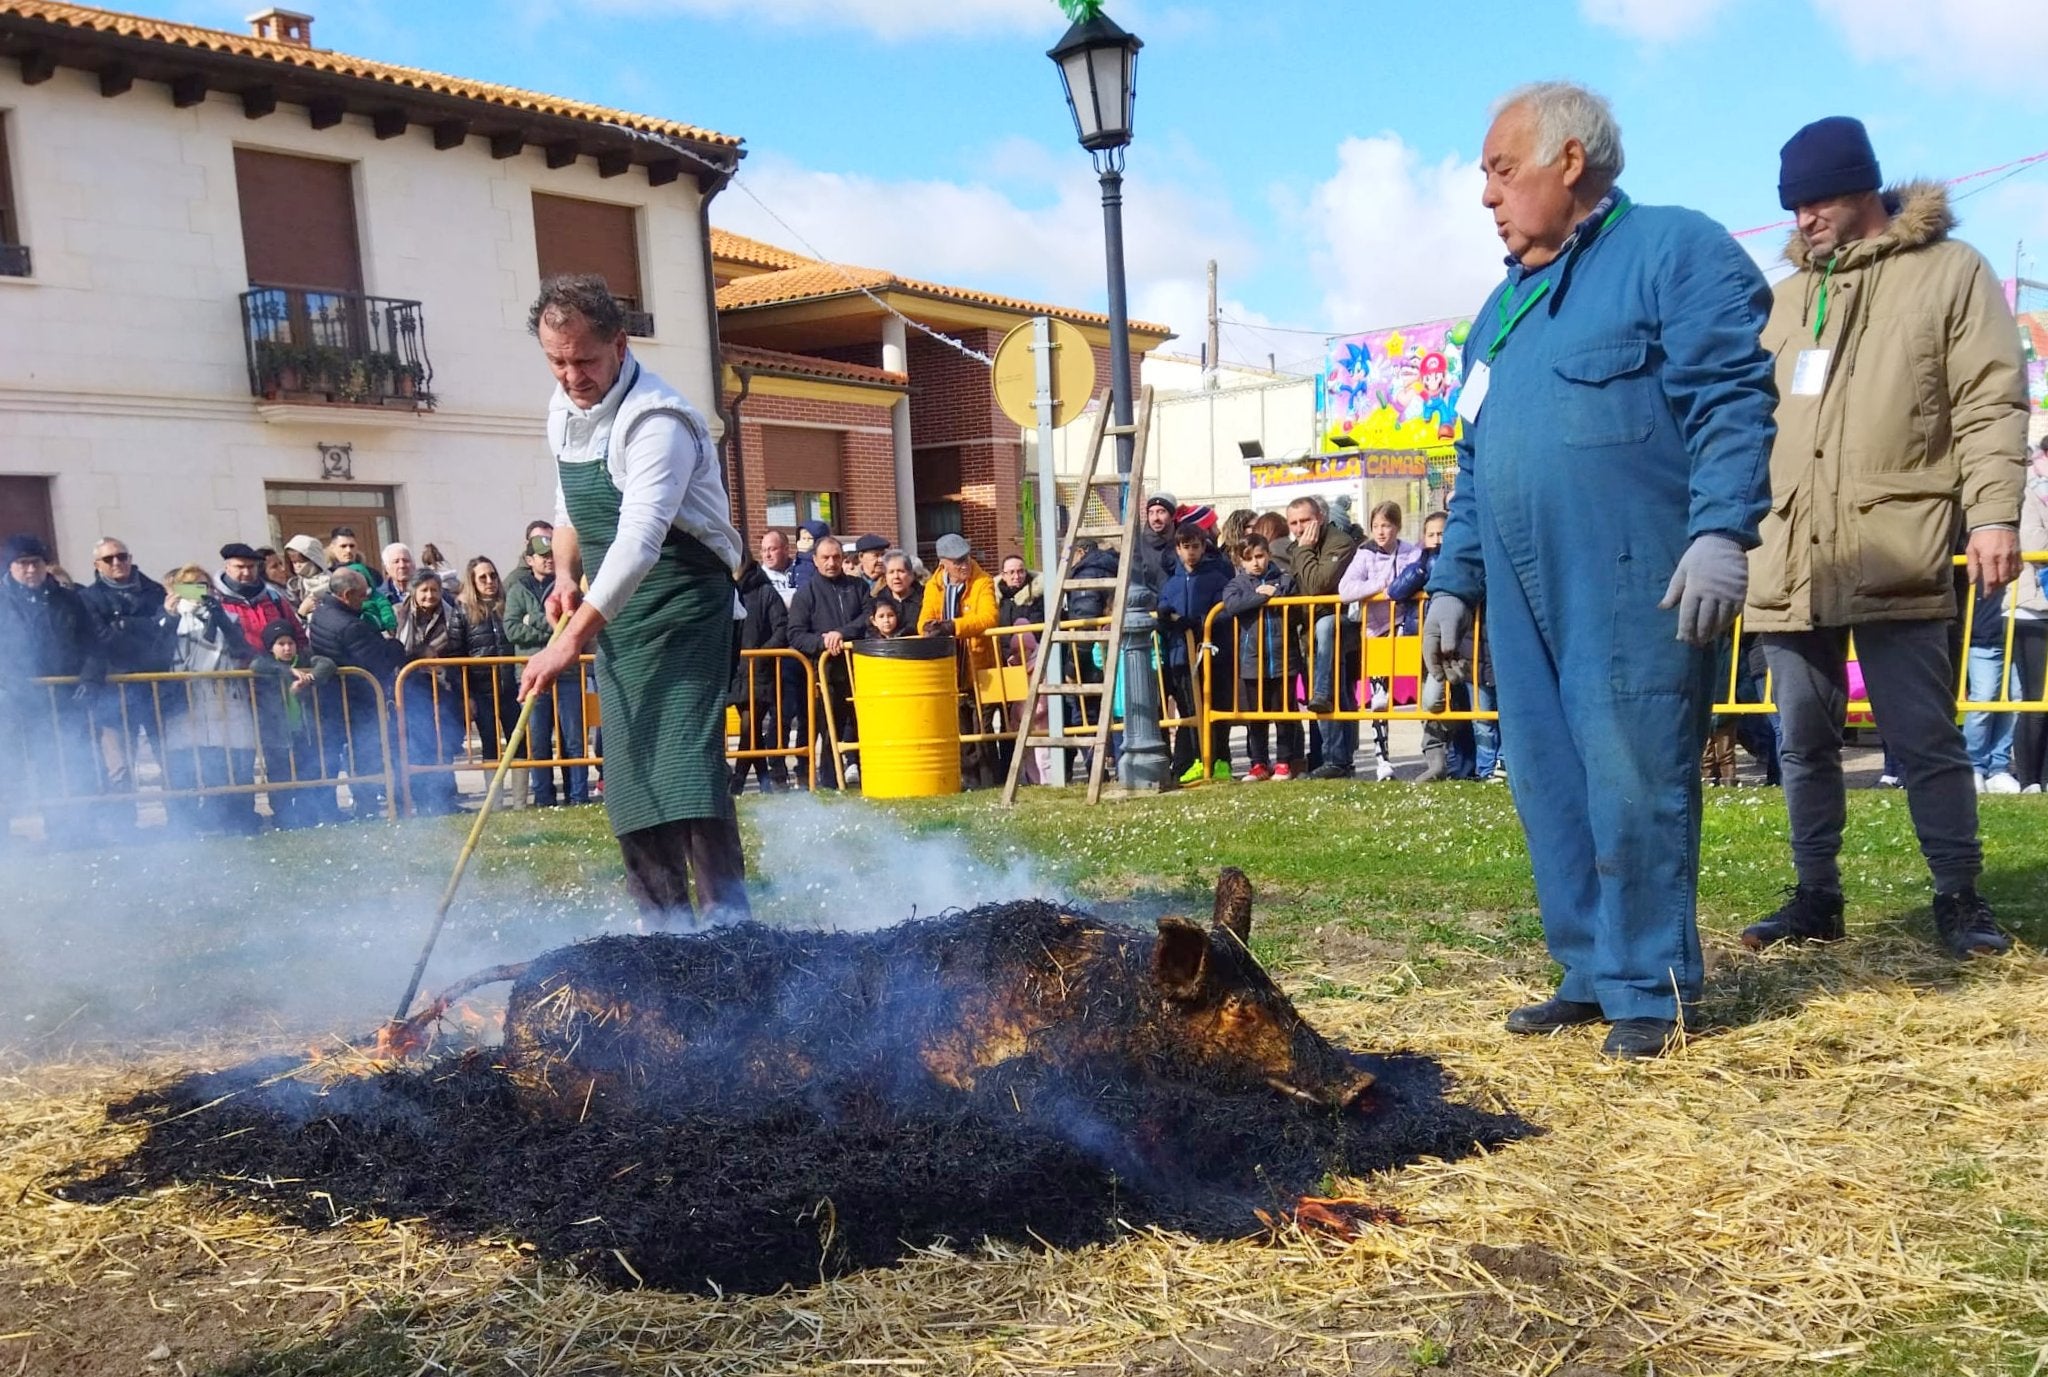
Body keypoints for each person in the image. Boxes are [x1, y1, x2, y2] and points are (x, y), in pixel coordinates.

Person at [1422, 81, 1777, 1059]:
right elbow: (1471, 460)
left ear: (1568, 160)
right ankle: (1587, 969)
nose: (1486, 195)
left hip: (1631, 574)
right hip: (1519, 588)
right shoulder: (1499, 311)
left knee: (1633, 776)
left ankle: (1648, 987)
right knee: (1546, 782)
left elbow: (1731, 397)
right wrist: (1453, 578)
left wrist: (1720, 530)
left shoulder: (1672, 250)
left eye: (1501, 171)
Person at [1740, 116, 2028, 959]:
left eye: (1818, 200)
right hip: (1789, 551)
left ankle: (1959, 896)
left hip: (1896, 545)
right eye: (1793, 206)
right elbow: (1745, 421)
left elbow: (1990, 401)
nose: (1803, 219)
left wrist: (1995, 514)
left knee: (1923, 735)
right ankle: (1815, 895)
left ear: (1865, 188)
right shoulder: (1787, 299)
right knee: (1802, 738)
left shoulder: (1950, 272)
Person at [516, 275, 751, 925]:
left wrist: (568, 642)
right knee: (630, 775)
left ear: (619, 345)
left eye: (583, 360)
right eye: (556, 361)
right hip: (621, 617)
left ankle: (731, 933)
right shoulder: (564, 411)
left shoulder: (657, 421)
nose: (571, 376)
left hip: (685, 607)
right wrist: (566, 575)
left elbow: (639, 541)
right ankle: (663, 935)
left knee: (686, 768)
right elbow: (569, 506)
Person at [0, 534, 107, 847]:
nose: (30, 570)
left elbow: (92, 645)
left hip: (63, 701)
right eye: (23, 564)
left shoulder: (69, 599)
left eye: (35, 563)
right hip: (12, 702)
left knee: (65, 765)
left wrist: (89, 679)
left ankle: (67, 830)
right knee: (9, 769)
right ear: (10, 566)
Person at [161, 560, 260, 834]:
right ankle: (189, 823)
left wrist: (220, 618)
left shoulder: (227, 616)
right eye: (189, 586)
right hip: (187, 697)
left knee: (232, 759)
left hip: (225, 695)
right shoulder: (170, 618)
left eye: (202, 585)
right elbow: (157, 652)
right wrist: (169, 618)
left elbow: (242, 649)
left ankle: (235, 818)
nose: (197, 591)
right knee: (189, 763)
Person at [79, 536, 175, 808]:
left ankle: (182, 817)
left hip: (156, 686)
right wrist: (146, 628)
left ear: (130, 558)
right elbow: (102, 638)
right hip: (114, 690)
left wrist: (125, 625)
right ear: (97, 565)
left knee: (170, 759)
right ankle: (124, 823)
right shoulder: (88, 598)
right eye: (108, 559)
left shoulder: (155, 592)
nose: (117, 562)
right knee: (119, 766)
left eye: (122, 556)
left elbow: (166, 634)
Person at [308, 567, 406, 820]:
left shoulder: (320, 612)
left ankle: (325, 810)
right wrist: (395, 645)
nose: (365, 599)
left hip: (331, 698)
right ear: (347, 595)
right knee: (365, 755)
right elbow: (378, 663)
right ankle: (366, 806)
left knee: (330, 757)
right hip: (357, 701)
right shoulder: (351, 626)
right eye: (362, 595)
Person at [1338, 501, 1422, 781]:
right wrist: (1378, 588)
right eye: (1376, 526)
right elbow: (1345, 590)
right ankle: (1382, 760)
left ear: (1397, 526)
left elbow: (1417, 580)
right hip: (1376, 630)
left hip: (1406, 627)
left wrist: (1398, 590)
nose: (1381, 532)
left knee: (1425, 691)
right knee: (1379, 700)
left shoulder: (1411, 552)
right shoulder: (1364, 554)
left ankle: (1436, 751)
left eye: (1386, 525)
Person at [505, 530, 589, 808]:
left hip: (568, 674)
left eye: (551, 555)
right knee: (538, 741)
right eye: (542, 556)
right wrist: (551, 624)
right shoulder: (518, 589)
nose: (548, 560)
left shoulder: (568, 588)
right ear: (530, 560)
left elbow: (574, 622)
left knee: (574, 740)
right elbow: (512, 629)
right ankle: (543, 797)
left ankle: (579, 796)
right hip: (532, 674)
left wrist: (533, 620)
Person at [1395, 511, 1476, 782]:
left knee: (1440, 701)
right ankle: (1437, 761)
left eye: (1442, 533)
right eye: (1431, 534)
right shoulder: (1418, 562)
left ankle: (1460, 761)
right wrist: (1420, 568)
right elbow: (1395, 591)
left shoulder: (1456, 562)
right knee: (1428, 704)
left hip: (1452, 645)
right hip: (1419, 641)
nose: (1436, 539)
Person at [787, 534, 870, 789]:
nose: (831, 563)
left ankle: (866, 774)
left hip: (858, 668)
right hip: (824, 672)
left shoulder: (858, 587)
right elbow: (796, 635)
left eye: (836, 557)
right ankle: (827, 780)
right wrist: (823, 642)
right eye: (825, 558)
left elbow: (869, 617)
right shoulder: (806, 594)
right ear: (815, 560)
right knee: (827, 727)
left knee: (861, 724)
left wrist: (841, 634)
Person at [918, 532, 1001, 786]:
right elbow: (923, 621)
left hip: (980, 667)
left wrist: (952, 626)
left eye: (966, 558)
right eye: (957, 562)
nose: (964, 565)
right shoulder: (933, 586)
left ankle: (989, 781)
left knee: (982, 728)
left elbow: (989, 618)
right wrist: (930, 627)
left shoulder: (983, 581)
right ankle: (969, 780)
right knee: (962, 728)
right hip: (950, 670)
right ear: (943, 563)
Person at [1288, 495, 1361, 778]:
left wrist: (1304, 551)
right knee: (1334, 694)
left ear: (1319, 517)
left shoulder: (1340, 542)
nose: (1299, 528)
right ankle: (1337, 760)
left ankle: (1337, 759)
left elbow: (1317, 585)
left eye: (1305, 520)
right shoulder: (1295, 548)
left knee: (1330, 693)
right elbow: (1296, 589)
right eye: (1293, 523)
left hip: (1341, 626)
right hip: (1310, 637)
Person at [1219, 531, 1301, 780]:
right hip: (1252, 661)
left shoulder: (1284, 580)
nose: (1255, 562)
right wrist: (1262, 596)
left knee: (1283, 714)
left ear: (1268, 554)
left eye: (1260, 556)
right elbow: (1232, 605)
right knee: (1256, 717)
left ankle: (1284, 761)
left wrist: (1276, 594)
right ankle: (1258, 763)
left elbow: (1297, 607)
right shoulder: (1237, 584)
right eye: (1249, 558)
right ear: (1240, 561)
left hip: (1283, 658)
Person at [1159, 522, 1233, 783]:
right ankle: (1194, 761)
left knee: (1216, 708)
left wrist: (1200, 622)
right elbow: (1163, 607)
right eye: (1186, 547)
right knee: (1189, 710)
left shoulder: (1217, 578)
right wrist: (1166, 616)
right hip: (1181, 657)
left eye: (1195, 546)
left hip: (1212, 657)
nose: (1191, 552)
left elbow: (1223, 611)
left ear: (1203, 548)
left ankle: (1220, 760)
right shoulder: (1171, 583)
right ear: (1178, 549)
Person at [248, 619, 336, 829]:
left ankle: (307, 815)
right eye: (281, 644)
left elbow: (327, 664)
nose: (287, 648)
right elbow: (255, 665)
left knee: (308, 773)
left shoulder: (305, 659)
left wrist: (309, 679)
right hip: (277, 734)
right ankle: (281, 817)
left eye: (290, 643)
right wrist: (287, 672)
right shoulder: (266, 663)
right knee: (279, 777)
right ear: (271, 647)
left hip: (303, 732)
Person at [395, 574, 469, 815]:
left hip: (444, 688)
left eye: (434, 590)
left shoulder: (452, 615)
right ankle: (421, 801)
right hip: (412, 690)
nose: (430, 595)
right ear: (414, 592)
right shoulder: (399, 614)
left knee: (443, 746)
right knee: (417, 747)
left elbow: (459, 652)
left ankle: (444, 800)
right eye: (424, 590)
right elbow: (396, 648)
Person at [731, 553, 791, 795]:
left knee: (749, 727)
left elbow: (782, 628)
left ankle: (737, 783)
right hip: (736, 670)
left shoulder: (766, 592)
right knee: (753, 730)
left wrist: (762, 654)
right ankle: (765, 782)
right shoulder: (728, 590)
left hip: (761, 670)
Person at [455, 556, 521, 767]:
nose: (489, 581)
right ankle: (494, 789)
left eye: (493, 576)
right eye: (482, 578)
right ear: (473, 582)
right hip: (481, 691)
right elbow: (456, 657)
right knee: (490, 745)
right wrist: (466, 695)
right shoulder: (462, 611)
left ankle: (521, 789)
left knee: (519, 743)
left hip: (510, 689)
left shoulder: (508, 606)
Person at [2009, 443, 2048, 793]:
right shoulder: (2028, 496)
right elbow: (2034, 546)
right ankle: (2029, 779)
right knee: (2036, 699)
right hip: (2030, 608)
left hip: (2040, 608)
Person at [213, 542, 303, 659]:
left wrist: (300, 660)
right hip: (236, 668)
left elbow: (297, 634)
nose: (246, 572)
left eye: (251, 567)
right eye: (240, 567)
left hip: (276, 668)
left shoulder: (273, 598)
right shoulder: (216, 602)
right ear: (227, 567)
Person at [325, 527, 394, 632]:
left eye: (352, 546)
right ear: (332, 548)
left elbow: (381, 598)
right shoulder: (327, 576)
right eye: (343, 546)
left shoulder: (372, 574)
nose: (348, 550)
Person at [1136, 493, 1180, 593]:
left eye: (1161, 512)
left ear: (1173, 515)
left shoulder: (1185, 542)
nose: (1155, 518)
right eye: (1151, 513)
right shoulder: (1138, 546)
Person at [876, 550, 924, 626]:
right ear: (885, 577)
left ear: (911, 575)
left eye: (901, 571)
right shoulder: (878, 601)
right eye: (891, 572)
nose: (896, 576)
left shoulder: (925, 598)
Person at [996, 553, 1044, 628]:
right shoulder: (995, 598)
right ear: (1003, 576)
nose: (1017, 576)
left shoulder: (1038, 595)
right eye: (1011, 572)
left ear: (1026, 573)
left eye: (1020, 571)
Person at [378, 542, 416, 607]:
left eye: (406, 560)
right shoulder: (380, 597)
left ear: (413, 565)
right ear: (387, 569)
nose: (402, 565)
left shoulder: (425, 592)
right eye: (396, 562)